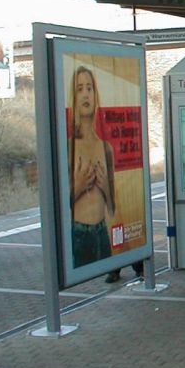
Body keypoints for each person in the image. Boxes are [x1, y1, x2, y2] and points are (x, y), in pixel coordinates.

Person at [69, 66, 115, 269]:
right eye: (80, 89)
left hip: (102, 231)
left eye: (90, 88)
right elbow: (58, 206)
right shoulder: (68, 146)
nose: (86, 94)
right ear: (74, 97)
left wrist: (106, 190)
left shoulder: (106, 148)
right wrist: (77, 187)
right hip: (79, 234)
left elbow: (112, 208)